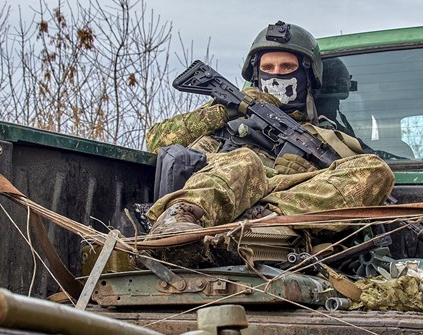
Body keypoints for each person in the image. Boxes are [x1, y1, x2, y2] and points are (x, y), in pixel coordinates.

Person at [144, 21, 394, 238]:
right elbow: (156, 141)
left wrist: (311, 176)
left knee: (375, 169)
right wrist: (230, 109)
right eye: (268, 68)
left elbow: (355, 179)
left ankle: (264, 219)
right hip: (216, 194)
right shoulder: (224, 112)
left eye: (287, 67)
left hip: (273, 211)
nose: (277, 75)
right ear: (256, 73)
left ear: (307, 74)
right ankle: (180, 217)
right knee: (245, 160)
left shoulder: (322, 134)